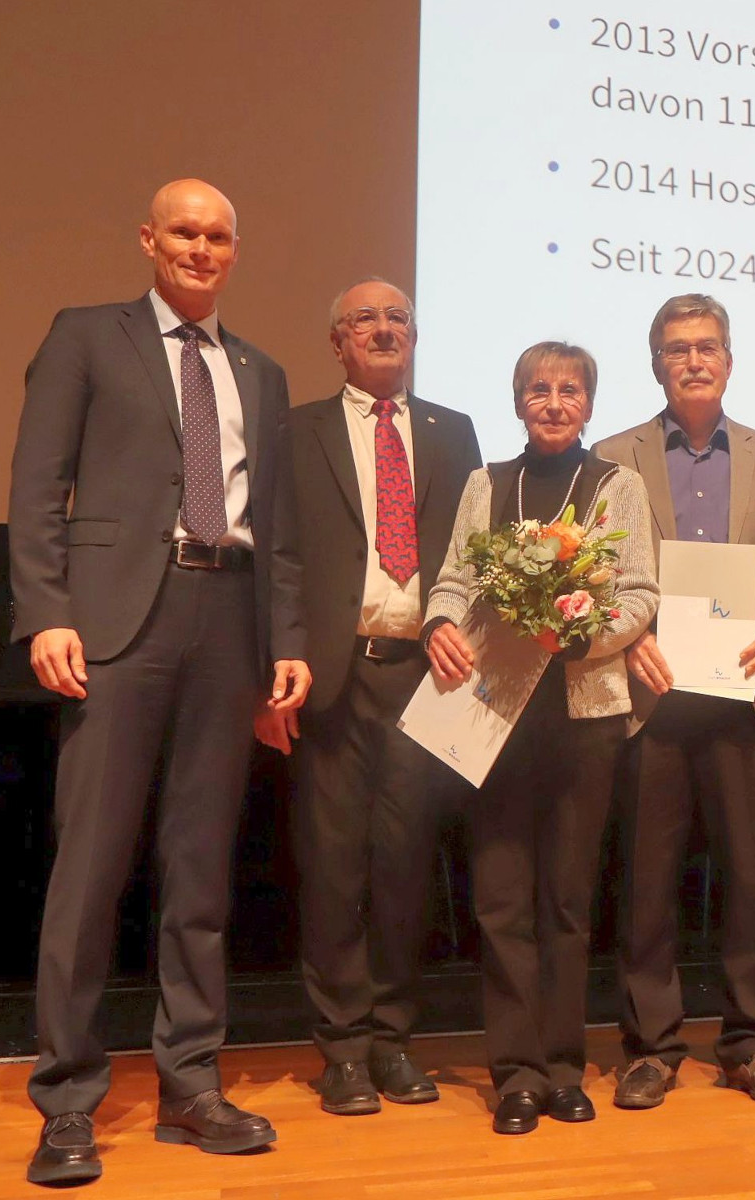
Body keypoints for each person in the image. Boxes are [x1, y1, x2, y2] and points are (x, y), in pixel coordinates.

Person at [8, 179, 310, 1186]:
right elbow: (36, 484)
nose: (201, 248)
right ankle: (68, 1099)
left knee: (199, 871)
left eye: (219, 235)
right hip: (115, 627)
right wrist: (47, 610)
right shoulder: (87, 336)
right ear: (149, 239)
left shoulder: (261, 374)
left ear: (235, 250)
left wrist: (286, 639)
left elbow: (281, 529)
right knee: (91, 869)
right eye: (184, 231)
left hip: (226, 624)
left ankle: (190, 1082)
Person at [422, 341, 657, 1134]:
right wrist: (439, 624)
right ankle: (514, 1073)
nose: (553, 403)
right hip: (492, 713)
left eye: (568, 391)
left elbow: (641, 594)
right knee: (500, 900)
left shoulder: (616, 485)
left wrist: (584, 638)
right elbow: (454, 577)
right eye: (537, 391)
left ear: (588, 403)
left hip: (584, 717)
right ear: (517, 401)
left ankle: (561, 1068)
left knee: (565, 900)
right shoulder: (487, 484)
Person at [270, 279, 481, 1115]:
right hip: (330, 677)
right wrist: (280, 659)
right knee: (331, 869)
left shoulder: (452, 432)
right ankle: (343, 1050)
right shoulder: (298, 431)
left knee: (403, 867)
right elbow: (279, 555)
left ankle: (392, 1041)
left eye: (398, 318)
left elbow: (476, 552)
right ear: (338, 342)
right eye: (365, 319)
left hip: (424, 678)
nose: (384, 329)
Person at [595, 294, 755, 1108]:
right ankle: (651, 1047)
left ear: (728, 358)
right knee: (648, 879)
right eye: (676, 348)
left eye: (707, 346)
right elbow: (598, 568)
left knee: (753, 877)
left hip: (748, 690)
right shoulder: (614, 454)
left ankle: (751, 1044)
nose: (693, 360)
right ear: (655, 362)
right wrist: (625, 633)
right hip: (651, 695)